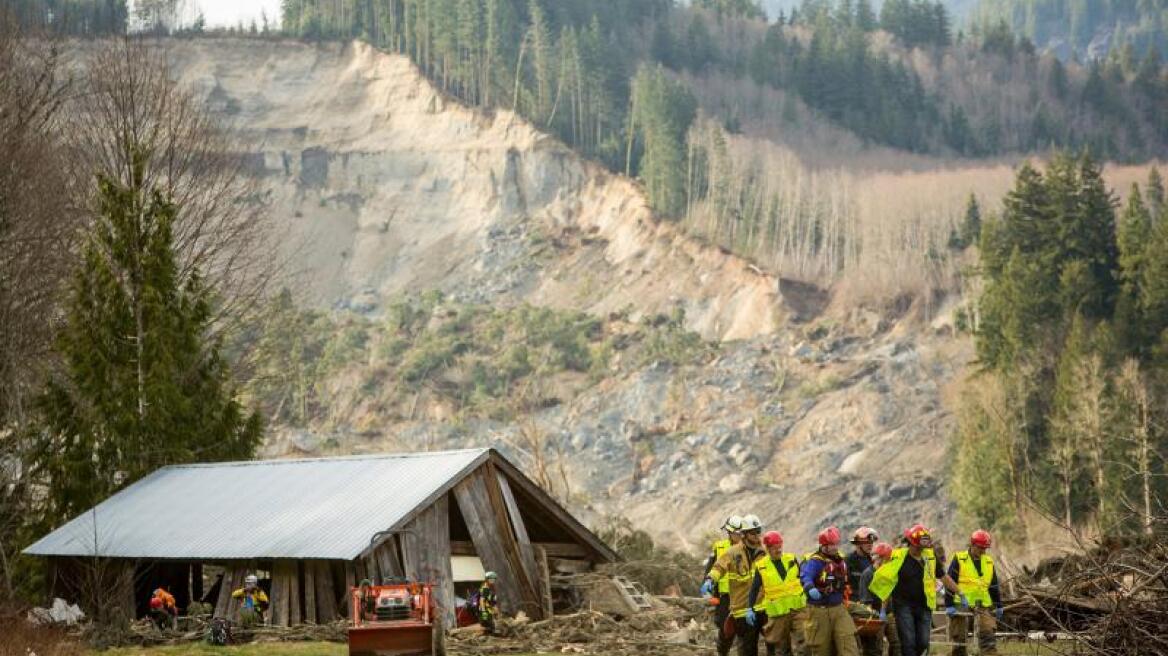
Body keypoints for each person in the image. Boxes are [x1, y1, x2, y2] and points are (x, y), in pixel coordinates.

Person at [869, 524, 966, 656]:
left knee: (923, 643)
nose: (921, 549)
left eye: (923, 547)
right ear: (911, 544)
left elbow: (943, 576)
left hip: (924, 606)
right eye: (918, 547)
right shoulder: (897, 557)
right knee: (908, 642)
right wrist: (883, 610)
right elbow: (888, 584)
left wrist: (959, 592)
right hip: (903, 607)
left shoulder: (930, 557)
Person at [702, 514, 768, 656]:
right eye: (753, 532)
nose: (757, 535)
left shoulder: (764, 550)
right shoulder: (727, 550)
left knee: (773, 642)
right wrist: (709, 581)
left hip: (762, 604)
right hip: (733, 601)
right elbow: (716, 567)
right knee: (732, 637)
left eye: (758, 531)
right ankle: (722, 652)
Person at [799, 526, 858, 656]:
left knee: (849, 646)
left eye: (836, 544)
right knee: (821, 650)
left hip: (839, 609)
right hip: (819, 612)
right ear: (823, 545)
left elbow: (847, 580)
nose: (834, 547)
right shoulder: (814, 562)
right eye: (831, 545)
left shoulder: (840, 560)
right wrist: (810, 588)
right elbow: (806, 576)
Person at [746, 531, 806, 656]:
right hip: (778, 615)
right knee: (782, 649)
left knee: (805, 644)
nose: (778, 550)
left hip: (798, 610)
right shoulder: (761, 566)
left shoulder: (791, 559)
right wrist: (750, 608)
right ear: (767, 548)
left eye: (780, 547)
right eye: (775, 548)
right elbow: (754, 589)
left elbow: (803, 579)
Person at [946, 530, 1003, 656]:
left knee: (988, 633)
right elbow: (949, 581)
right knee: (959, 638)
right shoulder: (959, 558)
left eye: (985, 548)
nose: (983, 551)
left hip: (982, 604)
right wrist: (949, 604)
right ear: (972, 544)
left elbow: (993, 586)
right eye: (981, 548)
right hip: (961, 603)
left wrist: (999, 605)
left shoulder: (988, 561)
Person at [705, 515, 745, 656]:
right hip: (724, 597)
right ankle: (722, 652)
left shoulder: (749, 549)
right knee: (725, 628)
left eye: (741, 533)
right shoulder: (720, 547)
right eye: (737, 534)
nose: (739, 536)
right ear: (729, 532)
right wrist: (708, 582)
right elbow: (710, 569)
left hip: (743, 596)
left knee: (744, 629)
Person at [856, 543, 899, 656]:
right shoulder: (868, 575)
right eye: (887, 559)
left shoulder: (889, 573)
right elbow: (866, 603)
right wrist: (874, 618)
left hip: (889, 613)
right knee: (875, 648)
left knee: (897, 644)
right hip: (874, 615)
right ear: (879, 558)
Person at [844, 527, 879, 656]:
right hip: (854, 610)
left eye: (872, 542)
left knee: (874, 648)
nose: (870, 545)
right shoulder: (847, 561)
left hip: (872, 609)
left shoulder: (874, 561)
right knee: (853, 647)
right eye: (867, 542)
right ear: (858, 544)